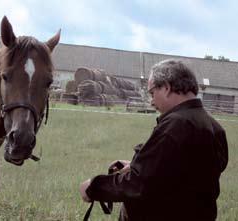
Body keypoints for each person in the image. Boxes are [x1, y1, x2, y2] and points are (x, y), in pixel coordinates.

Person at [79, 59, 228, 221]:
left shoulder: (175, 125)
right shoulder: (214, 127)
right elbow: (184, 175)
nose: (151, 101)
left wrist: (94, 187)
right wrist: (138, 165)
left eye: (152, 93)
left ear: (166, 87)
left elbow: (138, 184)